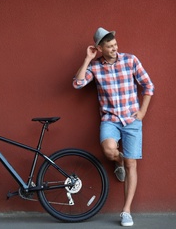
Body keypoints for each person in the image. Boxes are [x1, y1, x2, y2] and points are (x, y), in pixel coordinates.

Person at [72, 27, 154, 227]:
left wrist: (142, 112)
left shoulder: (130, 60)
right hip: (110, 119)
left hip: (131, 120)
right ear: (99, 48)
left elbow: (149, 86)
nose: (114, 48)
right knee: (110, 150)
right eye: (109, 46)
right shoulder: (96, 66)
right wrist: (87, 59)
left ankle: (126, 211)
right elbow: (77, 83)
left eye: (115, 44)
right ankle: (118, 162)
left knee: (132, 165)